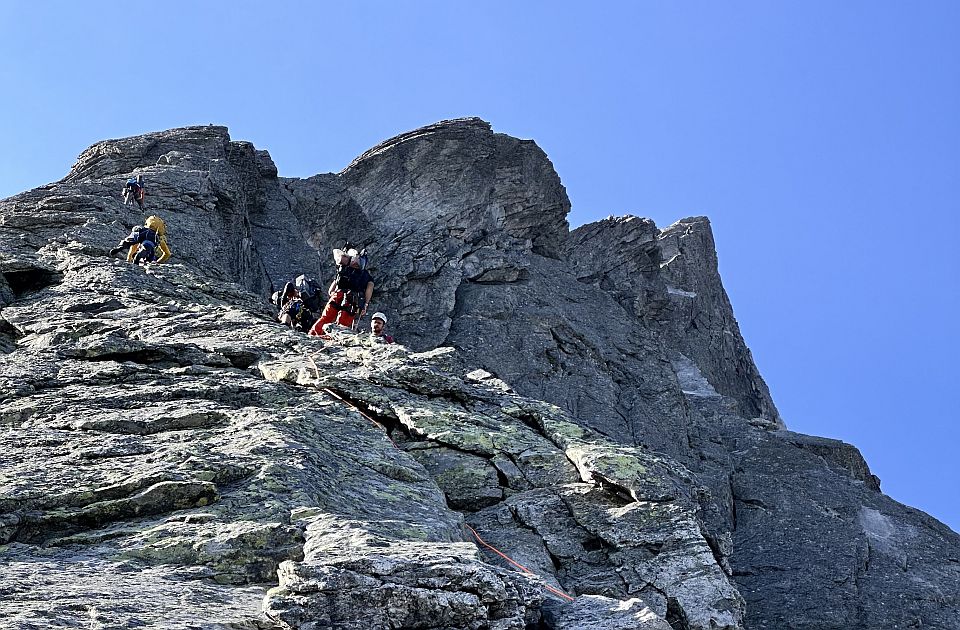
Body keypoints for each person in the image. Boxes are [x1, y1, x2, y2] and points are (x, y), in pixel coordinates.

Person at [308, 247, 374, 337]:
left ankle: (312, 335)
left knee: (325, 318)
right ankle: (334, 340)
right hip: (352, 299)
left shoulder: (343, 270)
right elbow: (369, 289)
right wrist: (365, 304)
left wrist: (334, 295)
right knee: (343, 324)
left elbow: (330, 290)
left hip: (337, 294)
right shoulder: (367, 276)